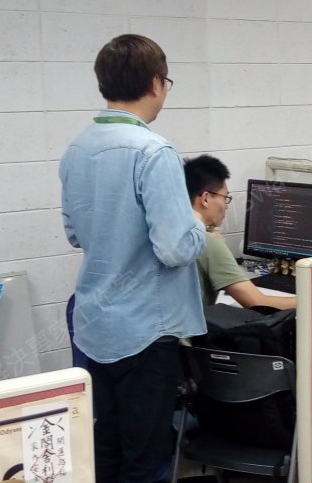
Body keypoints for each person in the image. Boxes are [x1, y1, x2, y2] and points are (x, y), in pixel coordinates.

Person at [59, 34, 207, 483]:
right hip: (145, 329)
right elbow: (175, 249)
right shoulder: (154, 151)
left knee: (106, 450)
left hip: (94, 323)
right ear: (156, 83)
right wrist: (198, 222)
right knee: (146, 460)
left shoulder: (77, 149)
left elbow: (74, 234)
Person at [184, 154, 297, 311]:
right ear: (205, 198)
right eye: (225, 197)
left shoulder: (173, 232)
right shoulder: (207, 241)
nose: (226, 205)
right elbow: (258, 302)